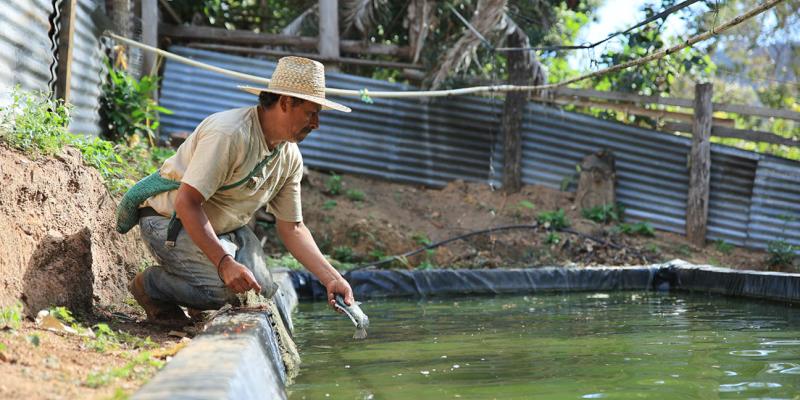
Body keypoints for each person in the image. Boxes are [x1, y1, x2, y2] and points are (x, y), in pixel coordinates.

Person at [126, 56, 355, 325]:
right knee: (224, 291)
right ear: (285, 102)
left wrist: (332, 278)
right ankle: (151, 285)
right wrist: (224, 263)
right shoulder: (229, 134)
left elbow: (292, 228)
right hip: (168, 221)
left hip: (224, 228)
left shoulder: (290, 155)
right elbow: (188, 203)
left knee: (262, 290)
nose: (316, 123)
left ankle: (201, 281)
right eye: (311, 113)